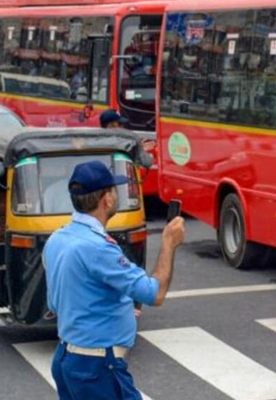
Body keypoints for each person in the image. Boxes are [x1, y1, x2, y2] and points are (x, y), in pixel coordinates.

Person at [44, 161, 186, 400]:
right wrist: (169, 243)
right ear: (106, 199)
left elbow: (58, 304)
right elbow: (155, 293)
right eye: (114, 190)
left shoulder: (57, 239)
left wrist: (118, 309)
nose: (116, 195)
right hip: (97, 367)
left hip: (67, 358)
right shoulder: (98, 247)